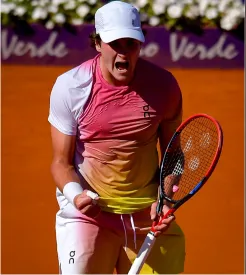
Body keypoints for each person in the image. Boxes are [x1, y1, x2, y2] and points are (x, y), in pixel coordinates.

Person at [48, 1, 185, 273]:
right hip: (88, 217)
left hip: (147, 215)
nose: (124, 52)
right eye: (115, 44)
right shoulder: (71, 87)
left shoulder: (164, 86)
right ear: (98, 44)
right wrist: (77, 196)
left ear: (140, 46)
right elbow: (60, 164)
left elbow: (173, 155)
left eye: (131, 44)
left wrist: (165, 198)